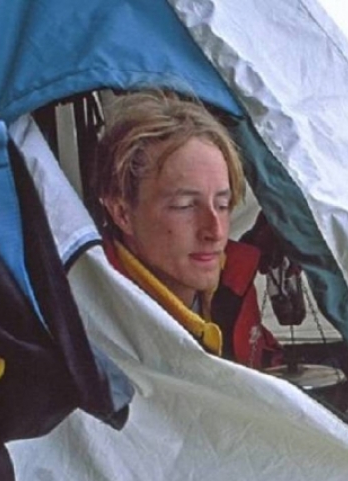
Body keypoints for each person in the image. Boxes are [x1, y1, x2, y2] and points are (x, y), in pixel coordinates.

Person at [94, 90, 282, 368]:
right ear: (123, 213)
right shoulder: (92, 324)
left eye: (223, 204)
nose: (215, 231)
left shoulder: (232, 281)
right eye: (184, 206)